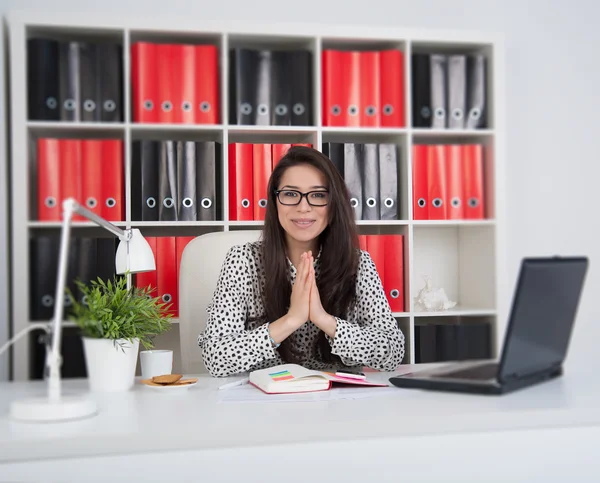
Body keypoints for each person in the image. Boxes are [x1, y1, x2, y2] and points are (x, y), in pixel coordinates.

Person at [198, 146, 405, 377]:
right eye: (290, 194)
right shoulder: (243, 261)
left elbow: (392, 352)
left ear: (333, 203)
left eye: (317, 195)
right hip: (264, 402)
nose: (303, 207)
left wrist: (324, 320)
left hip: (340, 401)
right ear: (275, 201)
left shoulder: (358, 264)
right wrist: (291, 320)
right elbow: (215, 357)